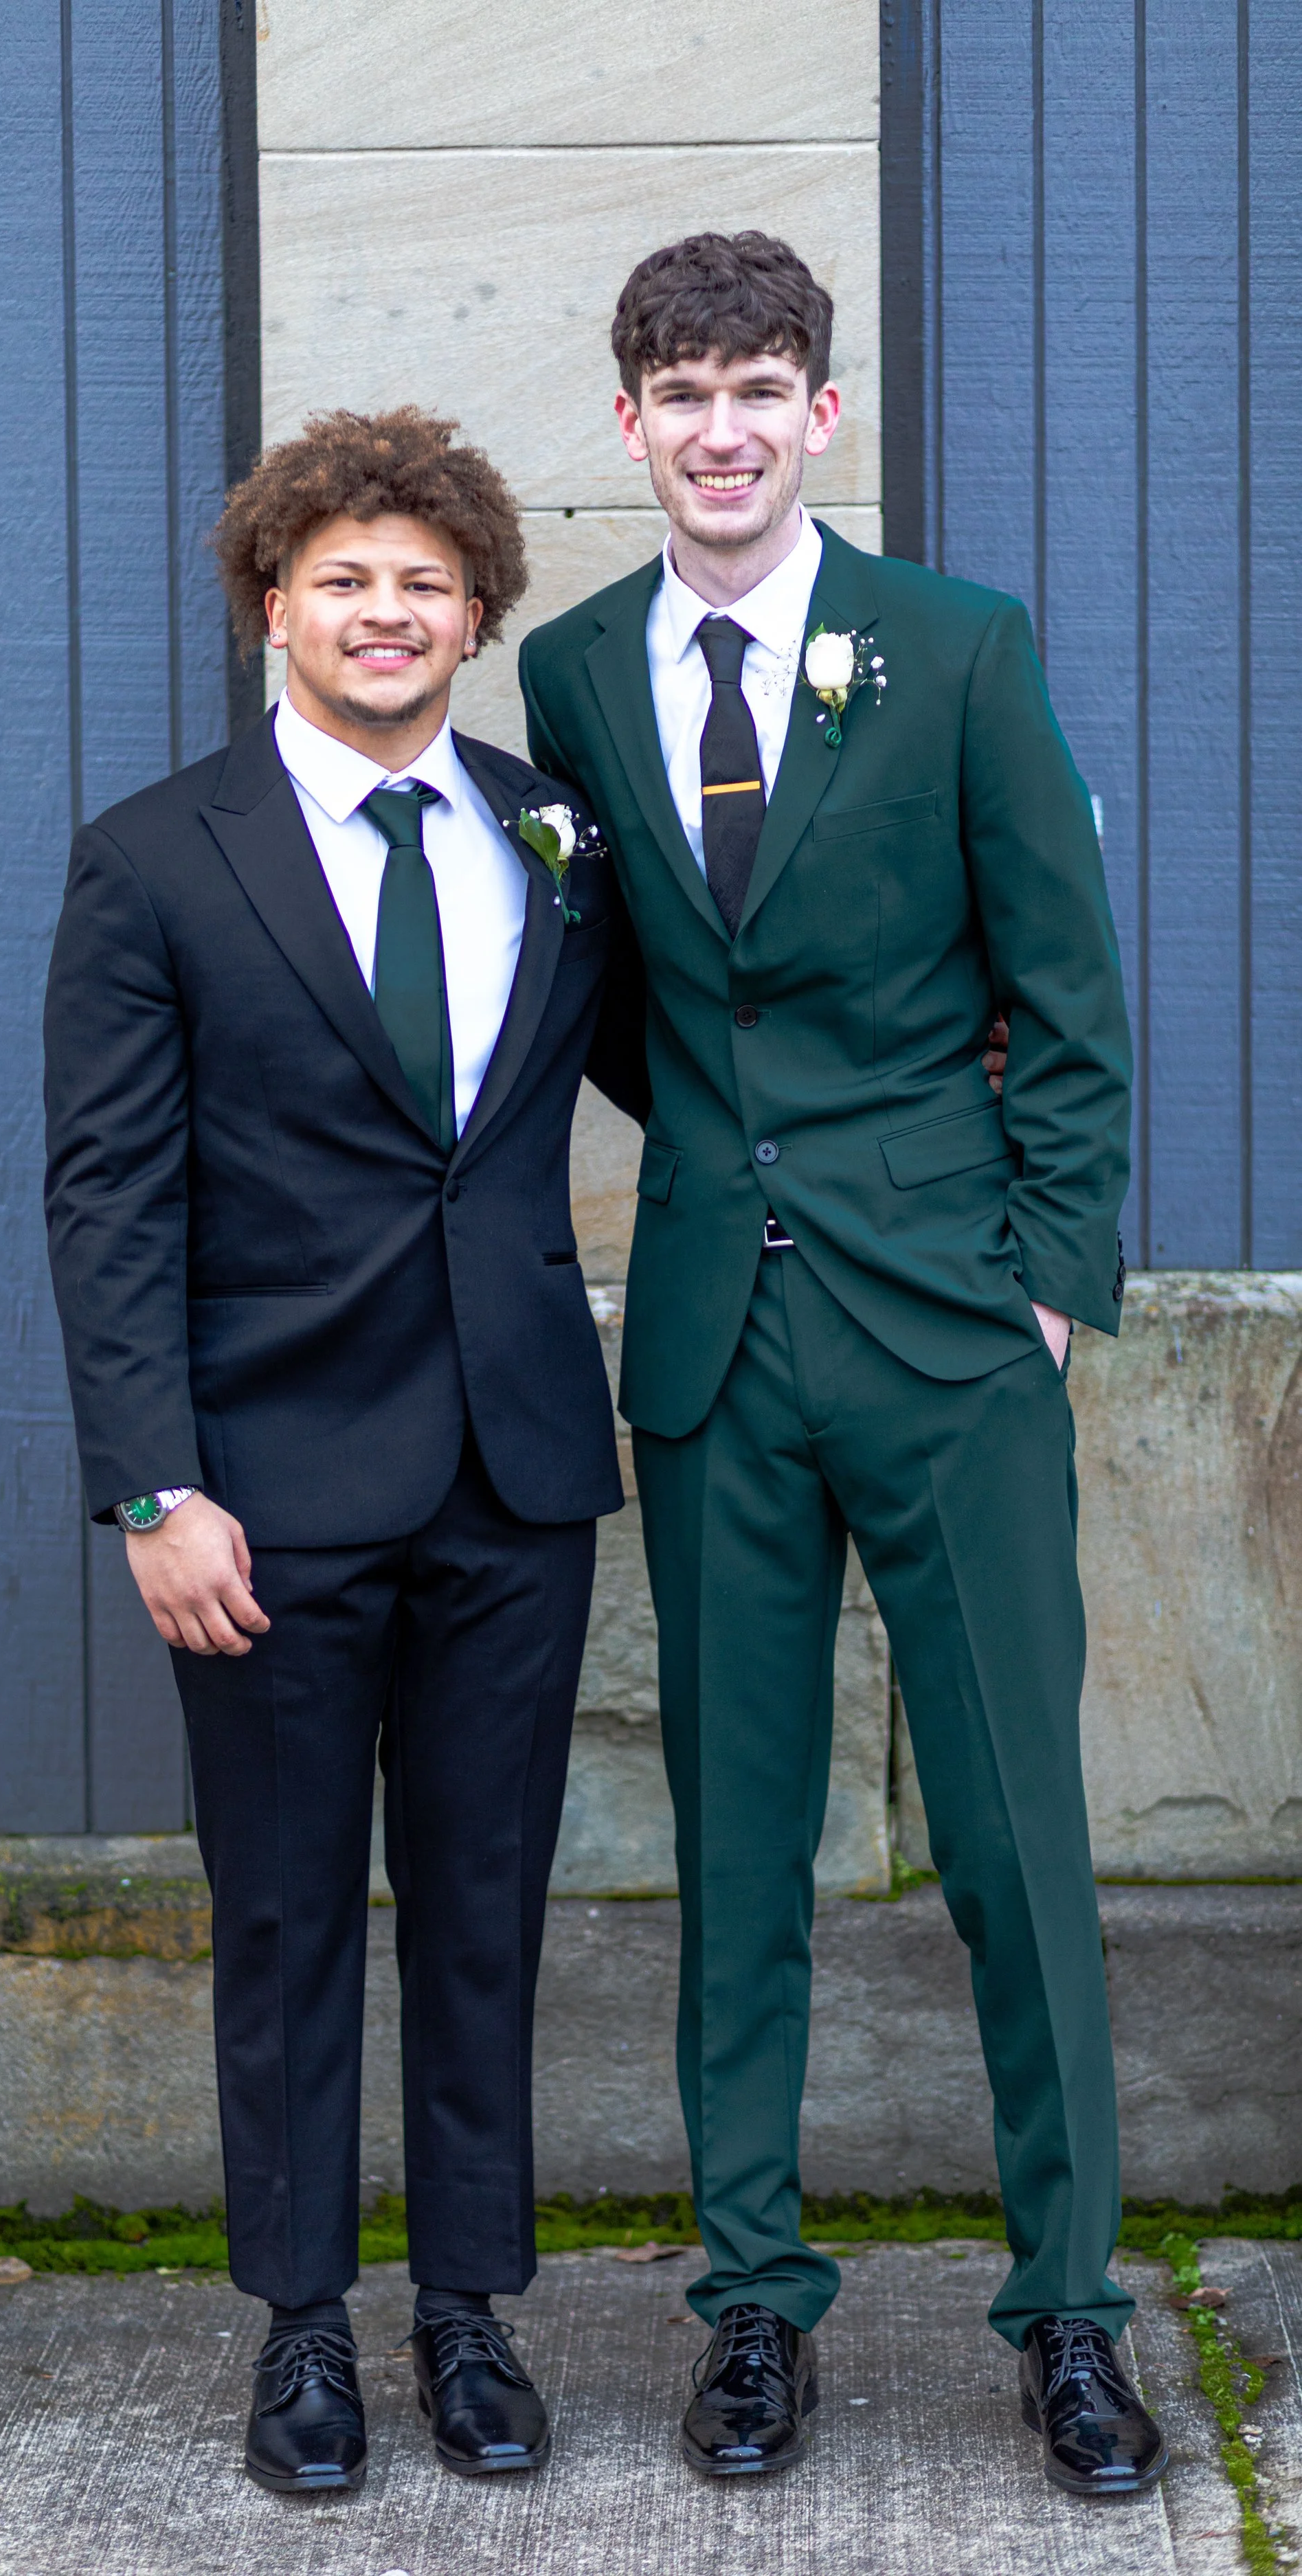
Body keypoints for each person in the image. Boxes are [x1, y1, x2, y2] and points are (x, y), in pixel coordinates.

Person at [519, 229, 1167, 2500]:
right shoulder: (576, 666)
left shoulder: (956, 653)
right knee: (738, 1847)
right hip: (710, 1332)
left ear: (818, 414)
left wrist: (1042, 1277)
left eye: (759, 384)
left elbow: (1069, 995)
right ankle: (749, 2304)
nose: (718, 427)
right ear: (628, 426)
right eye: (676, 390)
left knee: (1013, 1837)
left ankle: (1071, 2310)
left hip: (947, 1330)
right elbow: (605, 985)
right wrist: (709, 1158)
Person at [43, 407, 648, 2494]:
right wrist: (151, 1481)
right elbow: (105, 1198)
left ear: (475, 613)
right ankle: (301, 2330)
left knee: (482, 1906)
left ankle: (463, 2315)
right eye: (342, 580)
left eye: (422, 582)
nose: (383, 613)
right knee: (289, 1916)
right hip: (263, 1497)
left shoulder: (552, 834)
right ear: (270, 606)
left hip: (514, 1476)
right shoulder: (153, 856)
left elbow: (692, 1053)